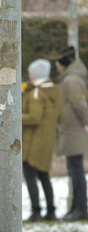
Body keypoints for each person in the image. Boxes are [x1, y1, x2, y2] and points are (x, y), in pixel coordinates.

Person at [22, 59, 63, 222]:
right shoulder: (55, 92)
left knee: (30, 175)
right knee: (44, 175)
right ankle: (51, 210)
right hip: (48, 140)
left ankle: (36, 210)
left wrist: (16, 116)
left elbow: (35, 116)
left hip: (33, 142)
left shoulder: (37, 93)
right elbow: (60, 117)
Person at [54, 46, 88, 220]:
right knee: (74, 170)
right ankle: (76, 208)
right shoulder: (71, 78)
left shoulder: (71, 81)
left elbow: (79, 104)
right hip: (72, 129)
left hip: (74, 130)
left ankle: (80, 209)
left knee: (76, 171)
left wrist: (85, 121)